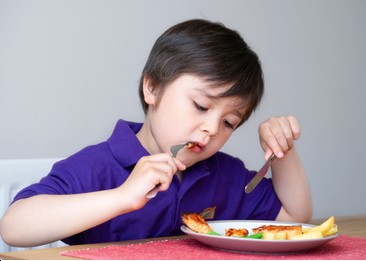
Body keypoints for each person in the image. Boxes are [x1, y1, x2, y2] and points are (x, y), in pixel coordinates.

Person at [0, 19, 312, 247]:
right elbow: (15, 227)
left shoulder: (224, 175)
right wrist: (122, 197)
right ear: (152, 88)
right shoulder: (99, 165)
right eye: (201, 105)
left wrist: (282, 150)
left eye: (229, 122)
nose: (212, 129)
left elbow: (294, 219)